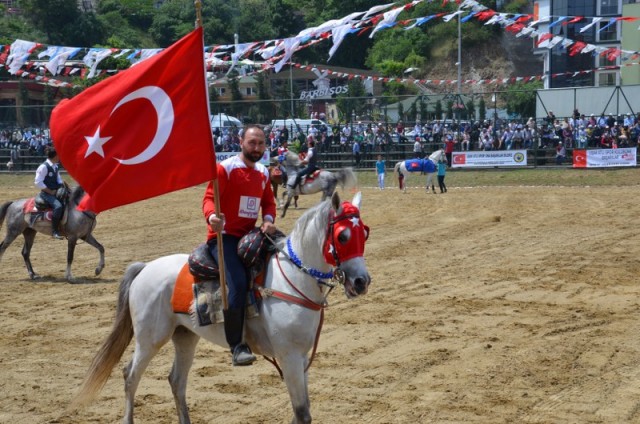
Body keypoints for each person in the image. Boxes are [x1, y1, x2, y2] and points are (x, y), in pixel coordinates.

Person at [202, 125, 277, 366]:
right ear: (241, 141)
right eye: (252, 142)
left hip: (251, 236)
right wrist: (212, 216)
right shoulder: (225, 168)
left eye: (261, 143)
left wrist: (268, 221)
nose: (256, 147)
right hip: (224, 237)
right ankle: (236, 345)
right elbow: (208, 199)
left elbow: (269, 202)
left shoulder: (264, 173)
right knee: (238, 283)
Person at [34, 147, 65, 239]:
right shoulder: (43, 167)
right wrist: (50, 191)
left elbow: (59, 179)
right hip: (46, 194)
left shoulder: (55, 166)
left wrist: (62, 186)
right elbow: (38, 182)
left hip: (55, 191)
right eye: (59, 155)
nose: (60, 157)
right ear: (55, 156)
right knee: (58, 206)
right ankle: (54, 231)